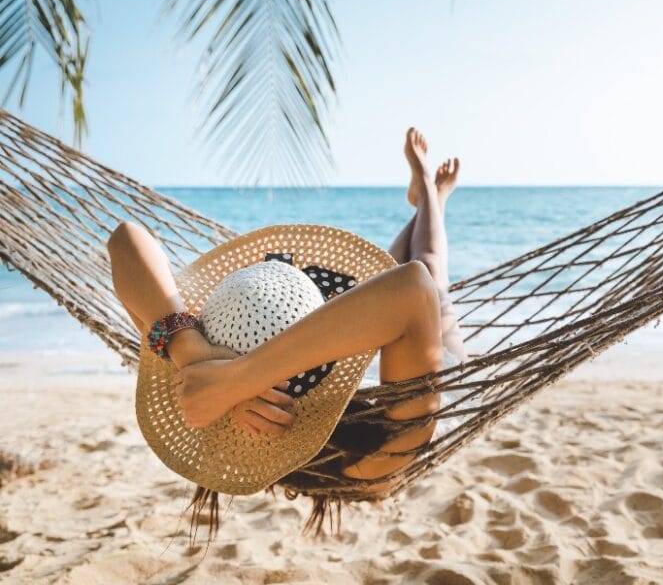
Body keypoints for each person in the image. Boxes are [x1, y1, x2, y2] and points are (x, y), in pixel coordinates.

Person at [107, 127, 462, 484]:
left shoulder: (196, 390)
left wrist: (193, 353)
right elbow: (415, 287)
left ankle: (428, 196)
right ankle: (432, 195)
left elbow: (124, 240)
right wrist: (236, 380)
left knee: (396, 268)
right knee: (431, 266)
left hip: (358, 326)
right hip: (424, 362)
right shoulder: (375, 454)